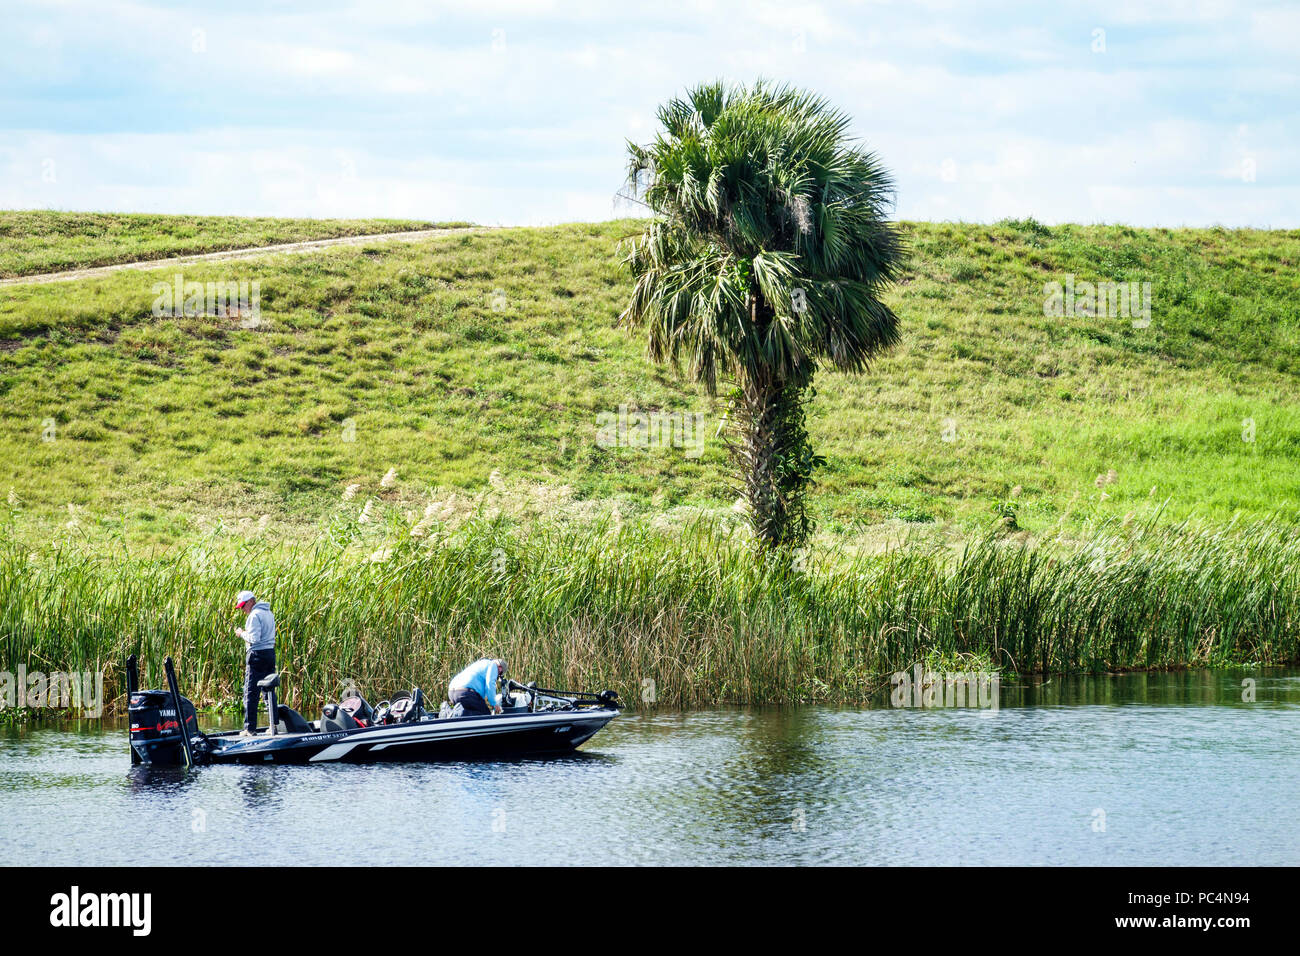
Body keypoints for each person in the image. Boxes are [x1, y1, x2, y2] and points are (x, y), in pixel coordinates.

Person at [234, 590, 276, 736]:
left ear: (251, 601)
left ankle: (249, 729)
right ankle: (273, 725)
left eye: (244, 606)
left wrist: (241, 633)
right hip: (270, 654)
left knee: (250, 692)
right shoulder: (268, 613)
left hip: (256, 655)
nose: (243, 609)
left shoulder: (254, 615)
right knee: (269, 691)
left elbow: (254, 638)